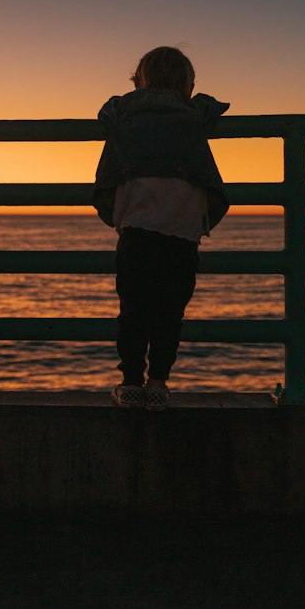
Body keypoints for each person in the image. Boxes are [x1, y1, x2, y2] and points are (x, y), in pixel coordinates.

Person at [93, 46, 229, 410]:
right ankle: (158, 383)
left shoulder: (123, 111)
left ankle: (131, 382)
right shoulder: (194, 112)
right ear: (187, 84)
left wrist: (116, 215)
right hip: (182, 231)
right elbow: (216, 107)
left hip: (137, 227)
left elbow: (105, 114)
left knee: (133, 310)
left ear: (139, 81)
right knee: (170, 312)